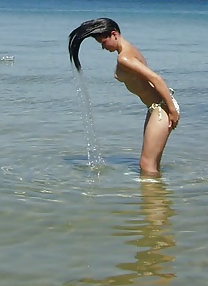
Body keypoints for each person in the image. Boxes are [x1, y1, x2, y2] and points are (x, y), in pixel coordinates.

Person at [69, 18, 179, 176]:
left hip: (161, 108)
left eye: (103, 42)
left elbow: (157, 79)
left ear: (113, 34)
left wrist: (172, 111)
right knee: (152, 164)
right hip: (157, 108)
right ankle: (157, 197)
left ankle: (152, 197)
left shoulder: (124, 57)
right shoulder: (129, 50)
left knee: (146, 165)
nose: (103, 47)